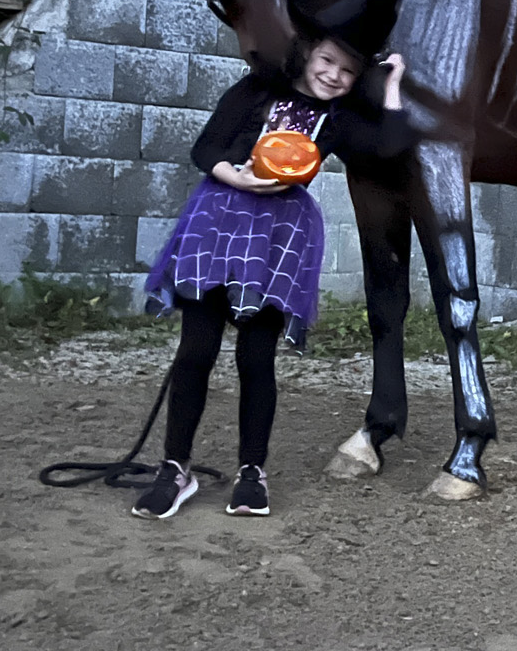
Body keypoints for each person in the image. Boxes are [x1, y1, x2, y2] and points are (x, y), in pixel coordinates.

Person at [132, 28, 414, 520]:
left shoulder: (338, 119)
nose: (334, 75)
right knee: (196, 350)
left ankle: (252, 473)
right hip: (218, 221)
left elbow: (389, 148)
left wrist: (393, 84)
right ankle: (175, 468)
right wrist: (237, 177)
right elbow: (206, 149)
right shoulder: (256, 90)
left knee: (256, 358)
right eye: (328, 60)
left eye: (348, 71)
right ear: (307, 53)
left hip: (277, 238)